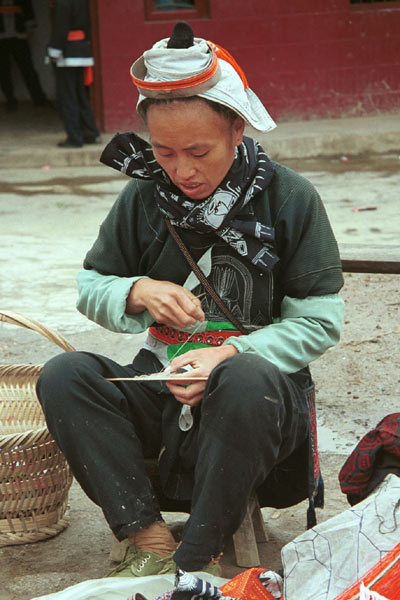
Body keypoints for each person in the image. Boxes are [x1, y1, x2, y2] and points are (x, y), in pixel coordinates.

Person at [37, 22, 345, 577]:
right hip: (161, 389)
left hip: (259, 412)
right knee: (64, 375)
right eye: (164, 151)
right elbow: (91, 285)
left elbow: (321, 321)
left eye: (199, 151)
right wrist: (137, 290)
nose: (181, 171)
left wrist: (226, 355)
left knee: (245, 377)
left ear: (237, 128)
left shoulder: (291, 198)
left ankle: (196, 556)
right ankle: (147, 536)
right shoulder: (145, 196)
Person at [47, 0, 100, 148]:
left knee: (67, 97)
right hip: (82, 50)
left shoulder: (62, 3)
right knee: (81, 95)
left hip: (67, 53)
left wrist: (53, 51)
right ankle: (90, 132)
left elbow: (60, 28)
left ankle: (74, 138)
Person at [0, 0, 47, 110]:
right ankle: (10, 100)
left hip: (19, 36)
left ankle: (39, 99)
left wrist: (29, 30)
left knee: (27, 69)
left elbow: (28, 10)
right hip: (2, 38)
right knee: (3, 71)